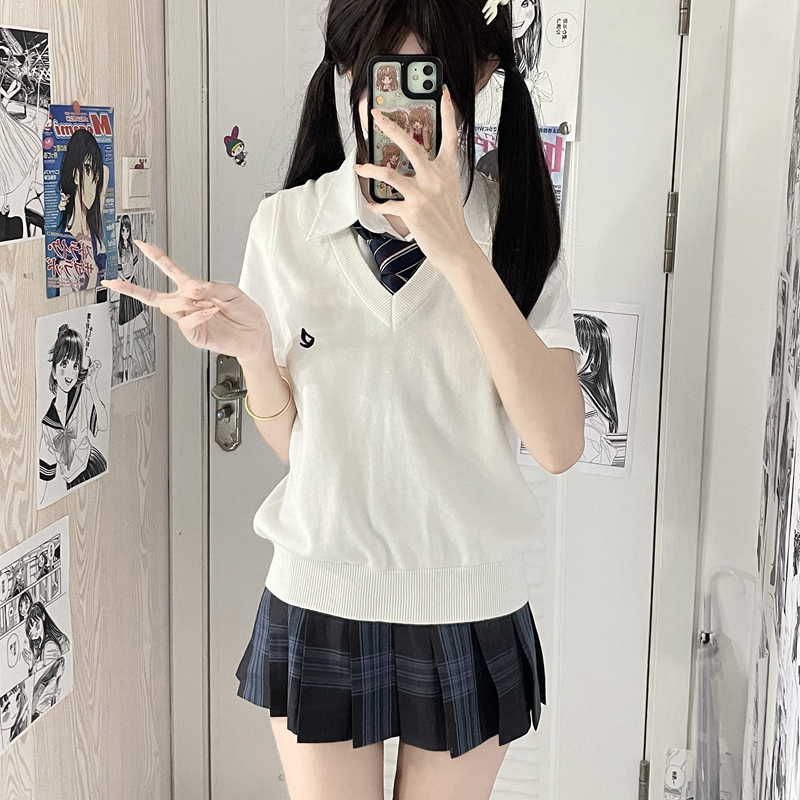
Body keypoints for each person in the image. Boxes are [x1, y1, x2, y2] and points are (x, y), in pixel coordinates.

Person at [105, 0, 585, 796]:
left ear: (477, 78)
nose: (399, 105)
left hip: (469, 600)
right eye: (381, 74)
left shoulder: (517, 230)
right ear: (350, 77)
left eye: (427, 76)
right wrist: (254, 355)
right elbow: (301, 447)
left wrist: (459, 252)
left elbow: (560, 444)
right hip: (320, 591)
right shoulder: (285, 228)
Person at [38, 324, 109, 506]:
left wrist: (92, 387)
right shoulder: (47, 423)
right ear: (54, 371)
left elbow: (102, 425)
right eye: (64, 364)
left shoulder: (81, 394)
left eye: (75, 366)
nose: (70, 373)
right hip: (72, 483)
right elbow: (45, 476)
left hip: (92, 465)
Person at [55, 129, 109, 291]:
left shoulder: (94, 230)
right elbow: (69, 300)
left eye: (96, 177)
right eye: (87, 169)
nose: (94, 184)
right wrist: (92, 276)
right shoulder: (66, 249)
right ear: (76, 176)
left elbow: (105, 171)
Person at [116, 215, 146, 381]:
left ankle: (131, 349)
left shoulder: (132, 248)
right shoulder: (119, 249)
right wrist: (125, 280)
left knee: (133, 318)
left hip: (131, 283)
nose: (125, 233)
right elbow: (118, 270)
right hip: (125, 285)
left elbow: (135, 265)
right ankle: (123, 351)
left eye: (127, 230)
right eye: (123, 230)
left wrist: (130, 278)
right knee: (126, 319)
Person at [21, 602, 70, 675]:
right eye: (31, 630)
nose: (34, 631)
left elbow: (49, 674)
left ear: (43, 616)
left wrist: (34, 666)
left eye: (37, 625)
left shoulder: (50, 645)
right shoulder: (40, 644)